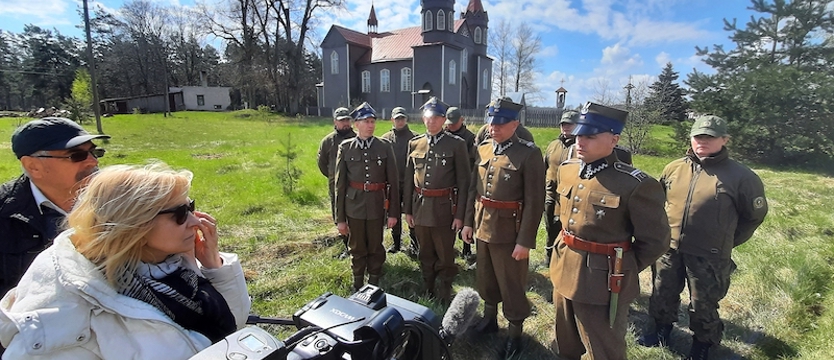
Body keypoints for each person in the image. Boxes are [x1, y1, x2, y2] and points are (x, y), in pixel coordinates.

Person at [0, 163, 251, 359]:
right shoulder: (67, 309)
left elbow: (233, 329)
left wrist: (214, 267)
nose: (196, 222)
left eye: (191, 207)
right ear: (133, 224)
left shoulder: (170, 265)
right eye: (179, 213)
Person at [639, 115, 768, 360]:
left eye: (710, 137)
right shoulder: (674, 168)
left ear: (724, 139)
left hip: (709, 254)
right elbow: (658, 202)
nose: (703, 141)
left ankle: (702, 345)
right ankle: (660, 331)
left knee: (703, 305)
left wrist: (727, 239)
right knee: (662, 292)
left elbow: (754, 216)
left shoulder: (742, 177)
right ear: (691, 137)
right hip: (670, 247)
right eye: (699, 136)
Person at [548, 102, 670, 360]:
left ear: (614, 139)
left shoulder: (635, 184)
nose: (580, 142)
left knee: (603, 350)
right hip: (563, 269)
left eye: (590, 136)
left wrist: (622, 266)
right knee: (565, 342)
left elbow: (656, 241)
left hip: (602, 283)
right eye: (579, 135)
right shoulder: (568, 169)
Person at [461, 98, 544, 358]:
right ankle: (489, 319)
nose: (494, 127)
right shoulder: (483, 148)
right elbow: (474, 189)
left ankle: (515, 334)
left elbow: (535, 202)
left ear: (515, 124)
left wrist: (525, 241)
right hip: (483, 225)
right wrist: (467, 222)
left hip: (510, 232)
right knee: (485, 277)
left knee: (511, 283)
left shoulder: (529, 154)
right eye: (491, 122)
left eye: (501, 123)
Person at [0, 117, 110, 296]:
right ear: (33, 166)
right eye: (77, 155)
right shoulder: (4, 212)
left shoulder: (119, 199)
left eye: (93, 152)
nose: (93, 162)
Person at [403, 98, 470, 304]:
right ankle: (428, 288)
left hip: (444, 210)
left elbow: (465, 182)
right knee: (425, 253)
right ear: (423, 118)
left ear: (443, 120)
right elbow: (407, 180)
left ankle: (444, 291)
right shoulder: (415, 143)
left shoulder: (456, 144)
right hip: (420, 207)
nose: (432, 122)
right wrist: (407, 210)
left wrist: (460, 216)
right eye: (428, 118)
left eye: (437, 118)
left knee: (445, 255)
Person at [335, 102, 400, 292]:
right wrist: (340, 219)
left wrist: (394, 213)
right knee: (356, 247)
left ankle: (373, 282)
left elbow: (394, 183)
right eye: (366, 121)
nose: (371, 125)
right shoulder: (346, 148)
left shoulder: (385, 146)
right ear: (356, 124)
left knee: (375, 245)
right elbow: (339, 186)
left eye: (372, 121)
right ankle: (357, 283)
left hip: (376, 205)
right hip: (353, 205)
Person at [317, 107, 357, 260]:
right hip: (336, 188)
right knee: (339, 218)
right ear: (335, 122)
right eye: (342, 121)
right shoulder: (327, 142)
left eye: (347, 120)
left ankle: (356, 247)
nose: (345, 123)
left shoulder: (358, 138)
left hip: (354, 188)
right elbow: (322, 164)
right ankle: (347, 246)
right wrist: (335, 178)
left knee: (354, 218)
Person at [380, 106, 419, 255]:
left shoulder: (416, 138)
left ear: (406, 119)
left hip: (411, 183)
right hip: (392, 184)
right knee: (394, 212)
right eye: (397, 119)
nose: (400, 121)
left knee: (412, 213)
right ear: (392, 120)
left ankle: (415, 245)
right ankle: (396, 244)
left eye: (402, 118)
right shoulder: (385, 139)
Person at [444, 106, 478, 265]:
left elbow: (473, 161)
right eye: (448, 123)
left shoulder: (470, 138)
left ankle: (466, 247)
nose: (450, 126)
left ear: (461, 120)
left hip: (465, 180)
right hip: (448, 181)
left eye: (453, 123)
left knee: (465, 214)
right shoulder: (443, 135)